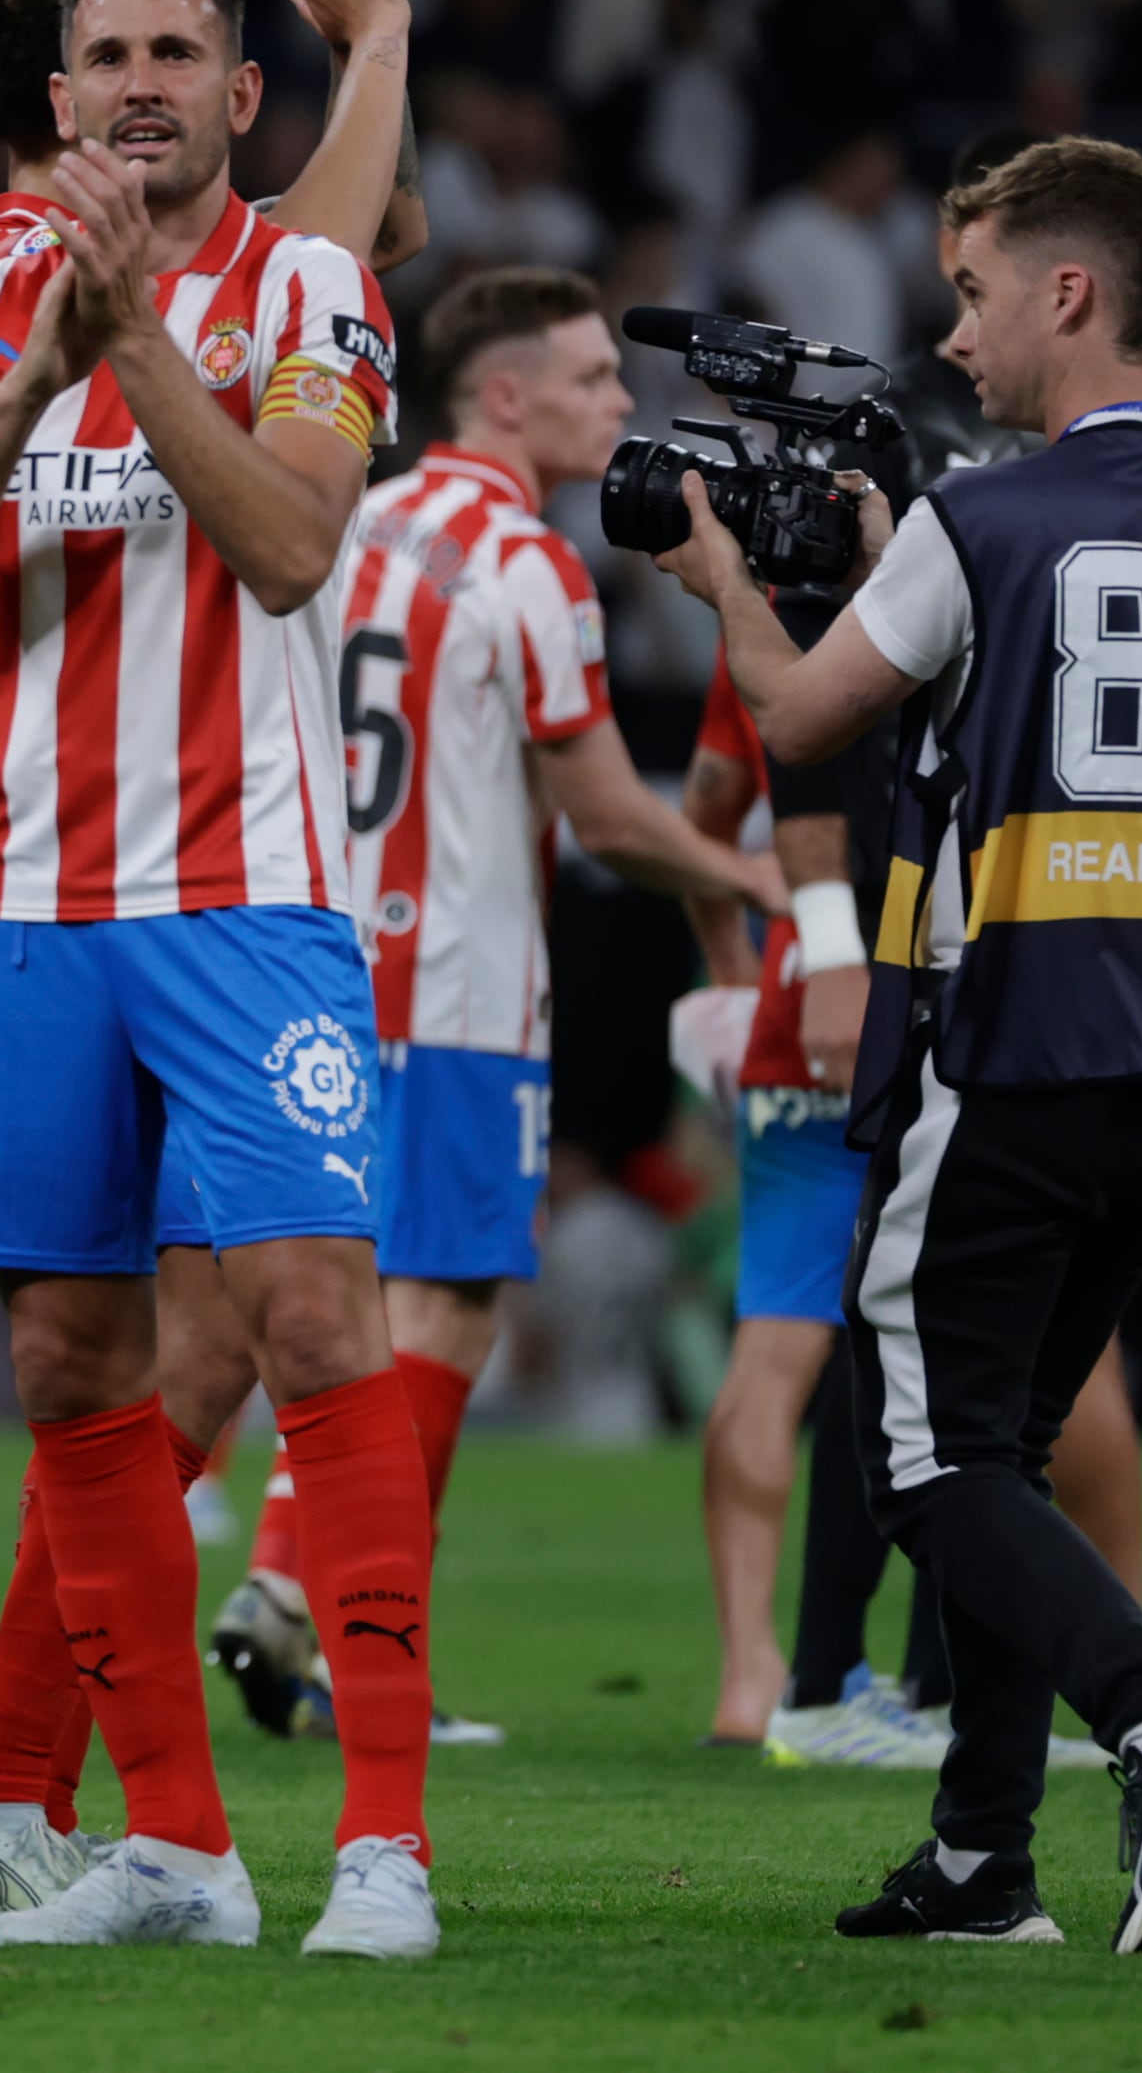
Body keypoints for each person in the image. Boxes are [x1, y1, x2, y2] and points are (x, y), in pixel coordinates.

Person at [0, 0, 432, 1959]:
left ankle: (382, 1850)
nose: (138, 88)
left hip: (243, 892)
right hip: (19, 903)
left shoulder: (309, 287)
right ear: (58, 93)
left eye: (177, 56)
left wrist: (141, 347)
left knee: (306, 1319)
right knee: (61, 1354)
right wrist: (38, 372)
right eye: (105, 59)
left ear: (234, 94)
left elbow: (284, 542)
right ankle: (174, 1847)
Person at [665, 134, 1142, 1953]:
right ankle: (980, 1856)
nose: (955, 335)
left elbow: (797, 717)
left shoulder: (986, 518)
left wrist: (726, 576)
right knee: (1008, 1439)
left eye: (973, 291)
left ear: (1070, 292)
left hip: (1018, 1034)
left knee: (927, 1456)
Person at [217, 267, 782, 1747]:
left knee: (341, 1309)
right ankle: (330, 1624)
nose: (620, 402)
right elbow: (604, 815)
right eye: (596, 378)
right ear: (506, 394)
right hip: (463, 990)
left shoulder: (339, 523)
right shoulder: (529, 561)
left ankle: (288, 1587)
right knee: (445, 1314)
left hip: (317, 969)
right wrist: (757, 883)